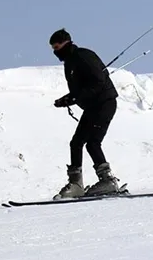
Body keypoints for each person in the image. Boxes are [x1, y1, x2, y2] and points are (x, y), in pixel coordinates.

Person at [49, 28, 121, 199]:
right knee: (76, 143)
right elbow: (81, 89)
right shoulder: (70, 63)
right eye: (53, 49)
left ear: (66, 43)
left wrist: (73, 98)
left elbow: (97, 82)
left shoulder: (83, 56)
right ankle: (76, 185)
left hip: (104, 103)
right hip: (92, 106)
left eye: (57, 47)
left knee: (92, 142)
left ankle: (108, 181)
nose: (55, 52)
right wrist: (67, 99)